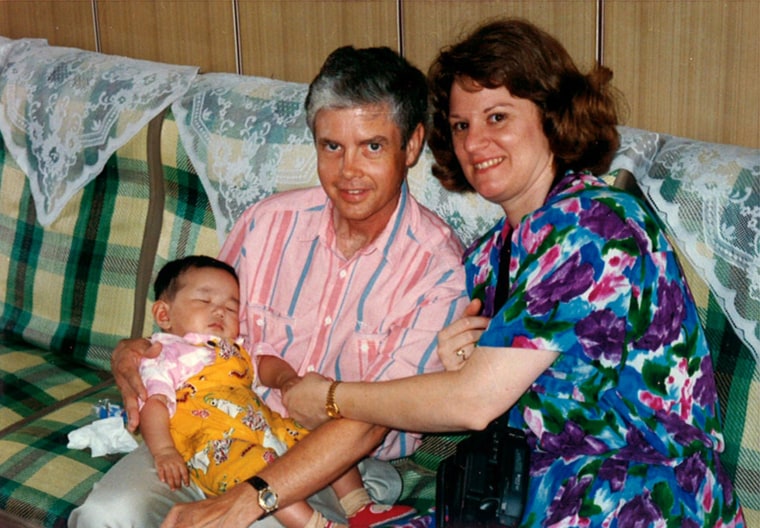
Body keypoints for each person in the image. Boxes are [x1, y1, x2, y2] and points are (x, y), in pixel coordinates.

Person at [285, 18, 746, 527]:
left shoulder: (594, 226)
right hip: (530, 494)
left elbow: (473, 403)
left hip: (639, 497)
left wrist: (330, 397)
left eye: (497, 117)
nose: (476, 142)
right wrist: (463, 362)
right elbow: (481, 390)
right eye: (461, 125)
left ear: (550, 116)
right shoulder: (489, 255)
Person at [68, 45, 468, 528]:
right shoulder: (267, 223)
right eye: (331, 146)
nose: (348, 172)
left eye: (373, 146)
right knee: (107, 516)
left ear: (411, 145)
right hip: (214, 425)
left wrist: (247, 499)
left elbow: (369, 422)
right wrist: (131, 352)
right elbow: (201, 325)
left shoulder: (437, 269)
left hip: (340, 465)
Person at [138, 255, 415, 527]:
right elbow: (154, 404)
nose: (220, 311)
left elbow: (263, 364)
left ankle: (359, 507)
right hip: (216, 448)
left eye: (231, 308)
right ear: (164, 314)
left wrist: (286, 379)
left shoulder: (236, 348)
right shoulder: (165, 354)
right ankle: (315, 524)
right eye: (205, 300)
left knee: (322, 435)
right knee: (263, 476)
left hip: (265, 428)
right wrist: (164, 451)